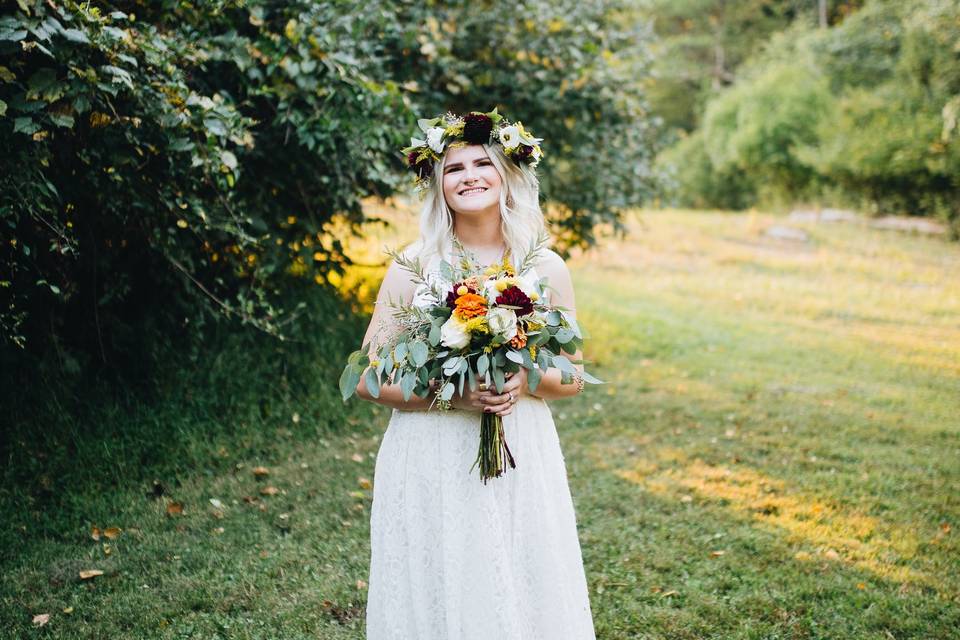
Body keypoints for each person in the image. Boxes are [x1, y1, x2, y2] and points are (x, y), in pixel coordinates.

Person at [356, 108, 596, 639]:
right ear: (438, 185)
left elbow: (573, 377)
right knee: (440, 580)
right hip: (430, 453)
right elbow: (366, 378)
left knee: (516, 576)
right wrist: (452, 394)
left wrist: (523, 377)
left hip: (519, 450)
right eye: (453, 167)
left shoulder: (545, 267)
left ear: (506, 173)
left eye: (481, 162)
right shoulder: (412, 268)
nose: (469, 176)